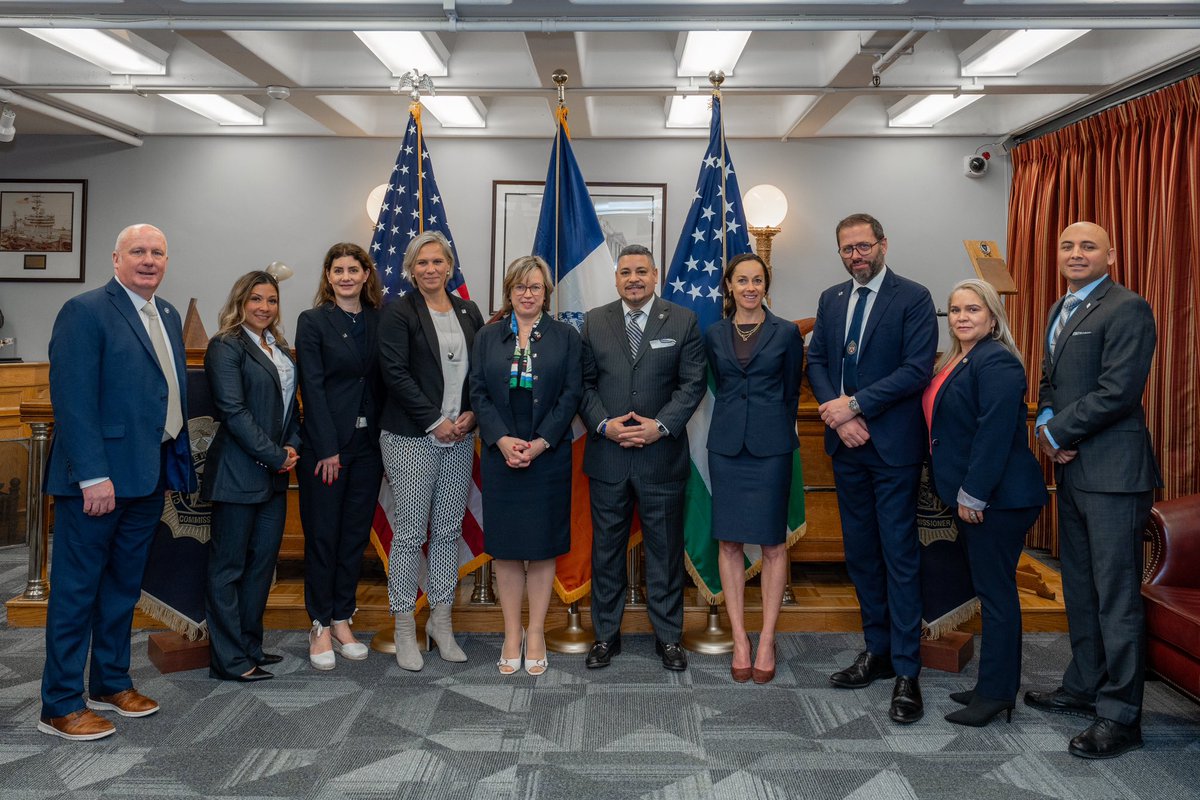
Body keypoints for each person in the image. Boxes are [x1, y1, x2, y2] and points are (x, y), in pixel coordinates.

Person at [39, 224, 196, 740]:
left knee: (123, 590)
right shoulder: (85, 312)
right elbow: (73, 400)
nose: (149, 260)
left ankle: (109, 681)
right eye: (138, 251)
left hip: (148, 478)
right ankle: (60, 703)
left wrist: (169, 467)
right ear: (116, 258)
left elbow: (163, 395)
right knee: (76, 593)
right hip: (97, 482)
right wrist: (92, 475)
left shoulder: (166, 313)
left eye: (158, 251)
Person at [1025, 221, 1161, 759]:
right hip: (1073, 472)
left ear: (1111, 253)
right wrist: (1045, 425)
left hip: (1115, 475)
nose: (1076, 253)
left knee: (1117, 596)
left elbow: (1119, 391)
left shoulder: (1127, 307)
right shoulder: (1060, 310)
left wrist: (1058, 432)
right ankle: (1083, 686)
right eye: (1067, 246)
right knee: (1078, 588)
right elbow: (1048, 382)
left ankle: (1121, 716)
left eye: (1087, 246)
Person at [806, 213, 937, 724]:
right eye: (846, 249)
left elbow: (915, 369)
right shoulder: (833, 299)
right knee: (861, 556)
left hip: (892, 448)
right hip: (848, 448)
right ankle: (877, 652)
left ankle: (908, 670)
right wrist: (838, 417)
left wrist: (854, 406)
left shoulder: (914, 297)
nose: (855, 255)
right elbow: (816, 360)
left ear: (883, 244)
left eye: (863, 246)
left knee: (899, 557)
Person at [924, 279, 1048, 726]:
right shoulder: (960, 359)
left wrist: (973, 493)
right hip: (982, 495)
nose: (962, 317)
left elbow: (993, 434)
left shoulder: (996, 361)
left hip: (999, 498)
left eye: (973, 310)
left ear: (992, 317)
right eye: (955, 310)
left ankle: (997, 694)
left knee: (997, 596)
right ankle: (990, 685)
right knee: (991, 591)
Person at [579, 243, 707, 672]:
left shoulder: (683, 320)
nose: (633, 279)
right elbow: (584, 384)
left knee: (665, 551)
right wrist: (604, 425)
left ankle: (669, 638)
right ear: (616, 279)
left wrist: (660, 427)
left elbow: (692, 384)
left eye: (641, 271)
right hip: (608, 455)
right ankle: (605, 636)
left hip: (661, 456)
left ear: (656, 276)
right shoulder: (595, 321)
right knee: (606, 551)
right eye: (625, 272)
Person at [469, 256, 582, 676]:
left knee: (542, 546)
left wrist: (539, 444)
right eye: (520, 287)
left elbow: (571, 394)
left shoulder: (566, 337)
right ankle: (511, 633)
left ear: (546, 292)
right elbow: (477, 392)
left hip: (547, 455)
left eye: (535, 287)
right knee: (508, 548)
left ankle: (535, 632)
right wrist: (500, 439)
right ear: (509, 292)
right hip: (501, 454)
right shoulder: (488, 336)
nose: (528, 294)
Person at [378, 231, 485, 671]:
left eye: (438, 261)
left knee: (446, 531)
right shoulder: (397, 312)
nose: (430, 269)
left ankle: (441, 623)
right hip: (411, 437)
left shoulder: (468, 310)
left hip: (459, 437)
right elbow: (394, 373)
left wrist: (472, 414)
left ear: (450, 265)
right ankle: (405, 626)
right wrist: (434, 420)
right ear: (410, 267)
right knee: (409, 533)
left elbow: (482, 371)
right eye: (422, 263)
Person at [704, 253, 804, 685]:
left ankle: (766, 639)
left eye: (757, 280)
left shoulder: (785, 332)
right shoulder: (713, 334)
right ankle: (740, 639)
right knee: (728, 543)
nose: (749, 287)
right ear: (728, 286)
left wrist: (771, 431)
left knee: (772, 546)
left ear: (766, 285)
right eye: (741, 280)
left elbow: (790, 394)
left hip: (771, 449)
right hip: (726, 448)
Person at [202, 271, 300, 682]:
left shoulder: (278, 348)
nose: (264, 307)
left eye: (272, 300)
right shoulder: (226, 345)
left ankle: (249, 646)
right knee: (228, 568)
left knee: (261, 566)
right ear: (241, 301)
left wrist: (291, 446)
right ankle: (229, 659)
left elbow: (290, 408)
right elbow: (233, 411)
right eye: (256, 299)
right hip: (237, 473)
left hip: (273, 476)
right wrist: (275, 455)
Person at [295, 243, 384, 670]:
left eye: (354, 269)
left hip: (371, 448)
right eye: (338, 270)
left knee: (353, 537)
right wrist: (328, 448)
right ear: (328, 277)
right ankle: (319, 624)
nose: (346, 276)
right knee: (324, 537)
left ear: (366, 274)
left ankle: (343, 617)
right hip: (327, 449)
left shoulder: (381, 319)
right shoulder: (313, 321)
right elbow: (311, 387)